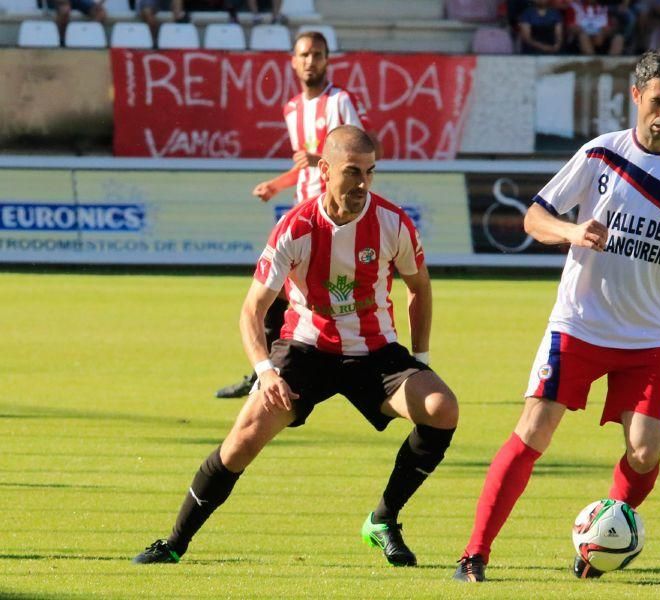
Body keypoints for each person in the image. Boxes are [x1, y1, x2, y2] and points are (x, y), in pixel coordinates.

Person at [452, 50, 660, 582]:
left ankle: (600, 540)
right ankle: (474, 554)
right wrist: (573, 232)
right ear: (636, 95)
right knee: (534, 431)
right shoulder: (602, 154)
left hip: (647, 337)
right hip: (578, 323)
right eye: (658, 102)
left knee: (644, 453)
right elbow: (534, 217)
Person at [133, 126, 458, 567]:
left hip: (376, 354)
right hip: (305, 349)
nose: (363, 184)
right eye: (352, 172)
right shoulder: (295, 228)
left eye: (370, 172)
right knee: (242, 440)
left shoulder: (392, 222)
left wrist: (420, 362)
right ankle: (173, 542)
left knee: (442, 408)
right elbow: (252, 310)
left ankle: (383, 520)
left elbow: (418, 286)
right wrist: (266, 371)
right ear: (324, 170)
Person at [215, 30, 376, 399]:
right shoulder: (292, 109)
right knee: (276, 295)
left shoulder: (340, 102)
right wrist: (277, 184)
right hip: (301, 217)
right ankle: (265, 371)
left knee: (301, 296)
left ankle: (277, 372)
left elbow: (364, 150)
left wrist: (322, 157)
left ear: (327, 60)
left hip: (333, 218)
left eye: (317, 54)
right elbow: (307, 166)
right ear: (293, 60)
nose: (310, 61)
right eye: (304, 54)